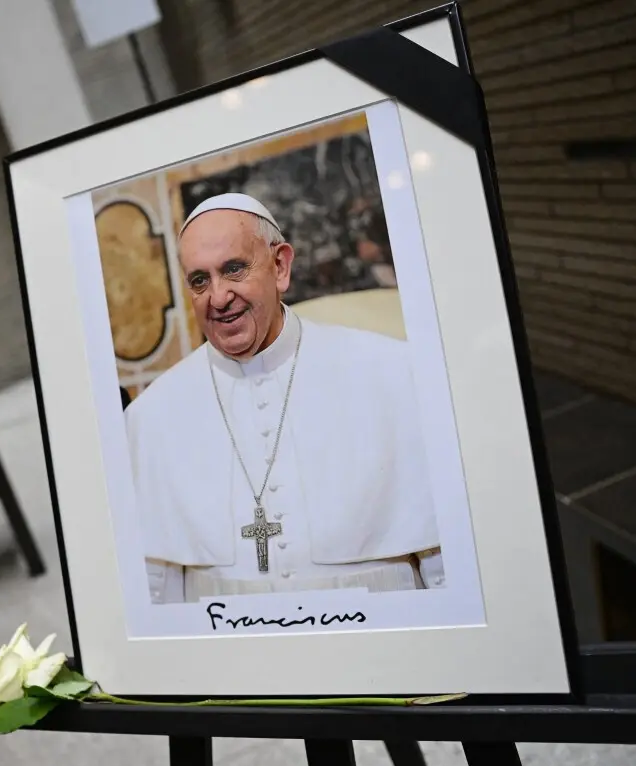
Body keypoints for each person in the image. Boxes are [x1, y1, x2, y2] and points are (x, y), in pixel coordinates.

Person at [123, 193, 443, 604]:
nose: (218, 297)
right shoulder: (151, 418)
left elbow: (445, 563)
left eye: (234, 269)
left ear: (280, 266)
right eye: (200, 280)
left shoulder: (395, 373)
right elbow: (155, 592)